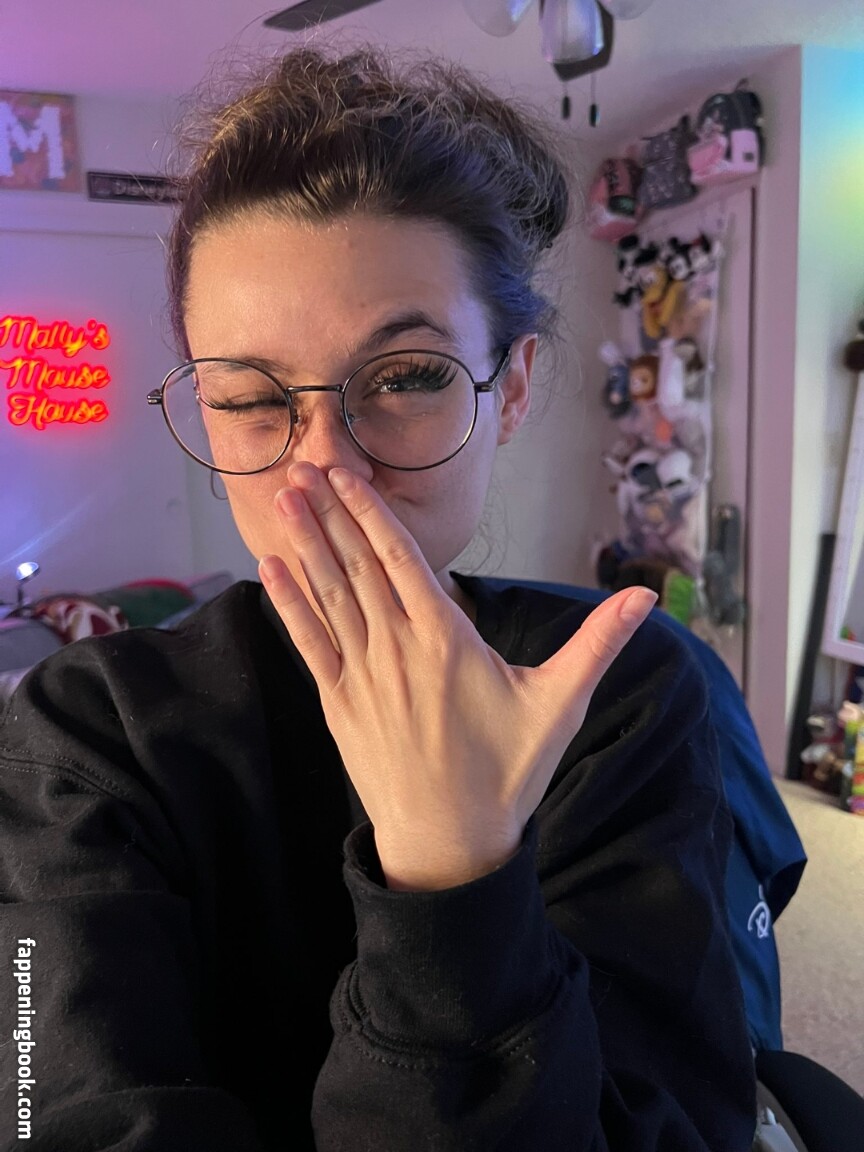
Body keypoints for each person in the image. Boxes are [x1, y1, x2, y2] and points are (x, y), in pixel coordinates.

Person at [0, 43, 758, 1152]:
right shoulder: (83, 732)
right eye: (250, 397)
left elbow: (675, 1125)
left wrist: (454, 880)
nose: (327, 468)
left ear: (511, 391)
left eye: (404, 378)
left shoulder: (618, 696)